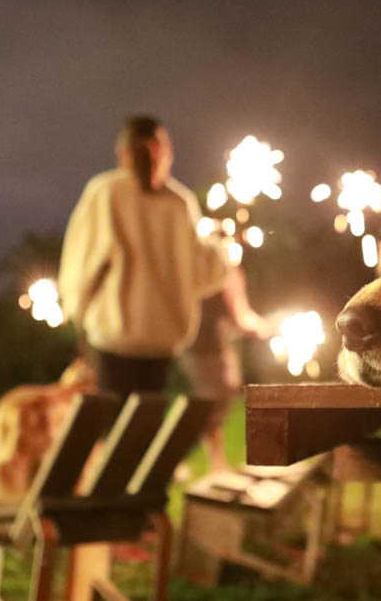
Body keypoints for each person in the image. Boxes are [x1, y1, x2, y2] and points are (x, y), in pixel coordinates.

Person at [58, 115, 229, 397]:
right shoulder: (180, 202)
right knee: (146, 428)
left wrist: (77, 311)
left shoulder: (105, 192)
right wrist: (223, 247)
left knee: (115, 433)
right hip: (162, 340)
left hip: (113, 336)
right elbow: (202, 272)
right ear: (161, 150)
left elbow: (81, 265)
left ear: (121, 152)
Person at [182, 265, 271, 471]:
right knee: (210, 408)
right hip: (204, 348)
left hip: (207, 345)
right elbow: (240, 316)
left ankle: (214, 464)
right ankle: (176, 457)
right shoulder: (225, 271)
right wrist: (261, 327)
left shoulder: (209, 268)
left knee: (214, 405)